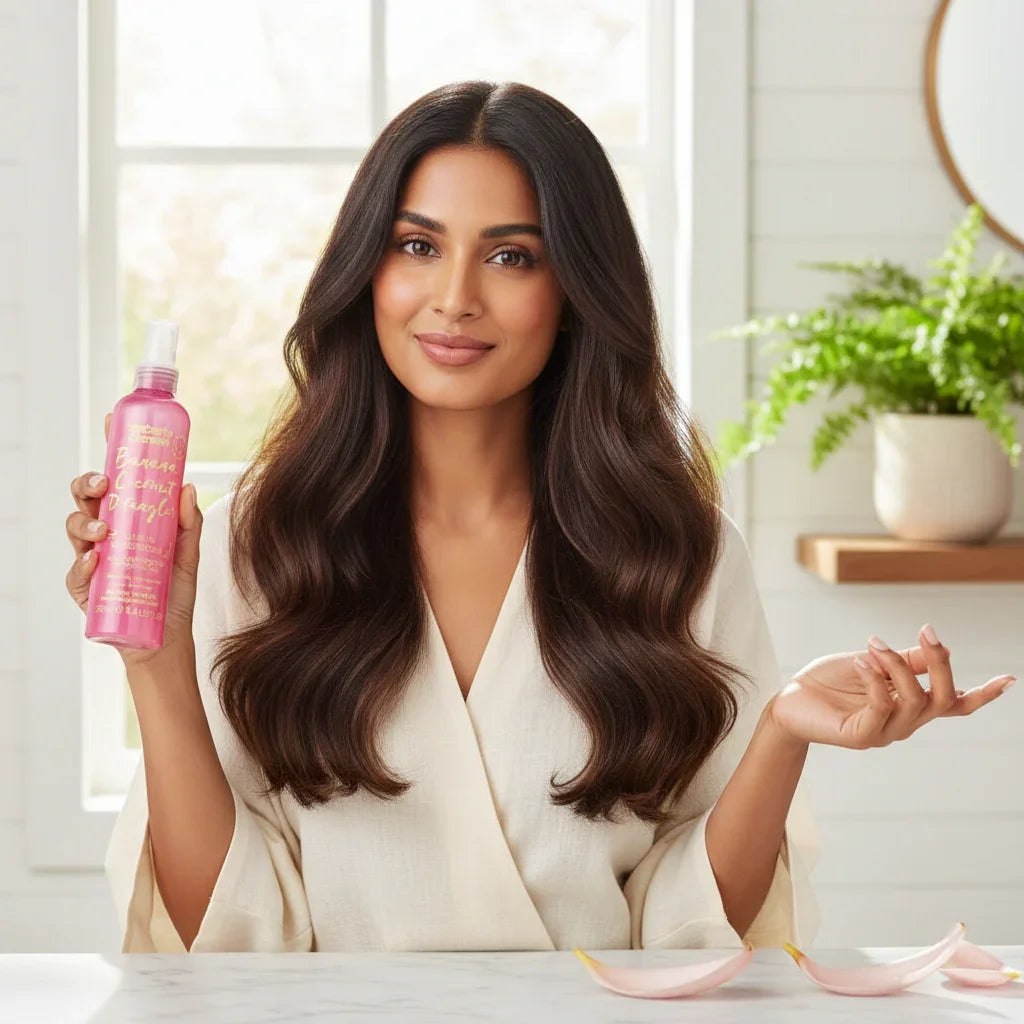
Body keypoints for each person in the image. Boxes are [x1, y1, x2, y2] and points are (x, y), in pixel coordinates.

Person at [65, 81, 1014, 954]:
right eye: (417, 245)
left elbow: (692, 930)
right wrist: (154, 660)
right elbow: (224, 930)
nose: (454, 298)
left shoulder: (677, 555)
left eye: (511, 255)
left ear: (574, 293)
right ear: (367, 271)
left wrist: (781, 734)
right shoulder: (254, 544)